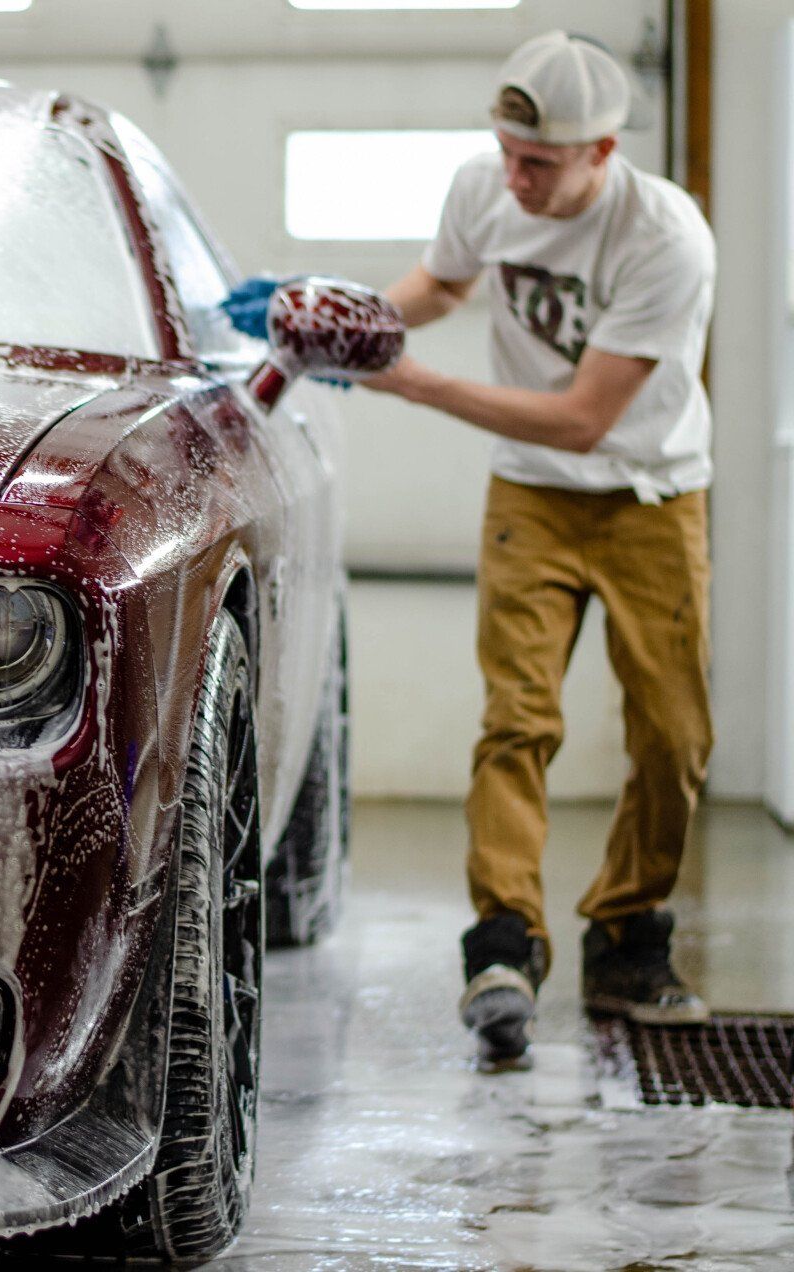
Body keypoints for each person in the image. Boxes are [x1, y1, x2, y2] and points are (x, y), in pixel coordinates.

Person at [226, 31, 717, 1071]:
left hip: (650, 495)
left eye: (539, 163)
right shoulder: (487, 188)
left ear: (602, 152)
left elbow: (585, 419)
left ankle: (627, 939)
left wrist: (411, 382)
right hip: (531, 501)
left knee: (673, 736)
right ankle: (503, 949)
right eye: (506, 152)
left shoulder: (666, 238)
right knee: (517, 721)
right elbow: (443, 289)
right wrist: (337, 322)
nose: (514, 177)